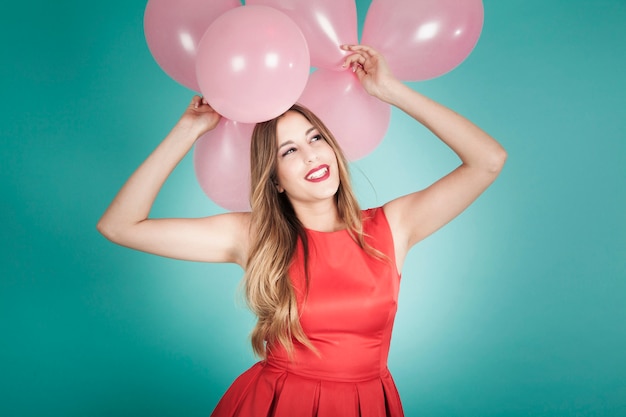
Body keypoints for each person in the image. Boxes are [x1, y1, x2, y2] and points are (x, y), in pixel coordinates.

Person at [97, 44, 507, 416]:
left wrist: (391, 90)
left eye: (315, 138)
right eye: (289, 150)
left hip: (367, 406)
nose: (312, 156)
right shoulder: (254, 236)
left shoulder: (393, 225)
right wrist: (188, 129)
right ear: (274, 178)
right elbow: (119, 225)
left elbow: (488, 159)